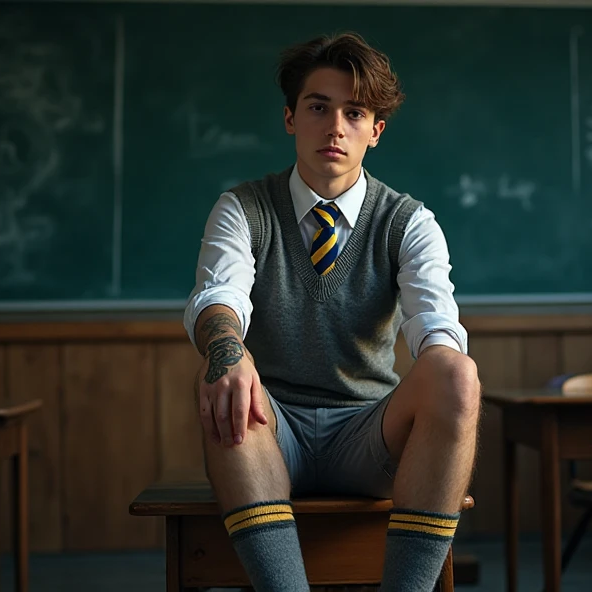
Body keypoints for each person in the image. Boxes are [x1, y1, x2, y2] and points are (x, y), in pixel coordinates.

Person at [183, 31, 481, 592]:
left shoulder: (409, 222)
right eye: (319, 107)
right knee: (220, 367)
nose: (335, 127)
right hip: (270, 430)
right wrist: (229, 351)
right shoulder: (243, 208)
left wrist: (445, 375)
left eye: (354, 112)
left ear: (376, 130)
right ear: (291, 118)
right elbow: (219, 296)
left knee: (457, 373)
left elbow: (436, 328)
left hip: (369, 436)